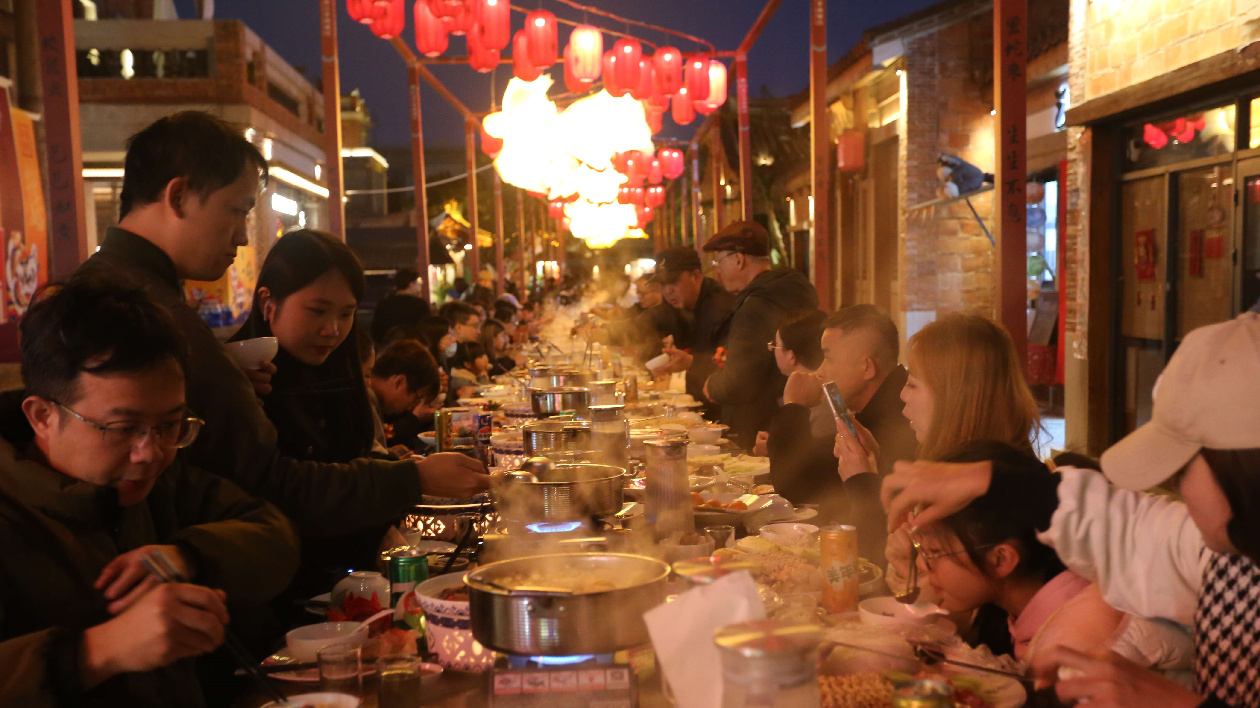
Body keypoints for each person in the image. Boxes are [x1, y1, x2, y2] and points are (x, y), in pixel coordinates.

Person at [72, 111, 488, 542]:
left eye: (345, 314)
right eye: (237, 212)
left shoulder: (132, 291)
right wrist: (411, 480)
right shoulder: (132, 308)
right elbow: (269, 482)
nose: (243, 237)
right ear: (178, 197)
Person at [881, 314, 1260, 708]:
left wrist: (1177, 704)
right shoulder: (1227, 548)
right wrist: (993, 480)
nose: (1175, 487)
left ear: (1239, 468)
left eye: (1181, 471)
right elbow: (1127, 531)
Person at [0, 278, 299, 707]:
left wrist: (189, 555)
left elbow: (274, 533)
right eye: (123, 429)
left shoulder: (158, 484)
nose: (151, 452)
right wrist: (95, 652)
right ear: (43, 416)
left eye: (170, 425)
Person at [911, 441, 1190, 681]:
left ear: (1000, 560)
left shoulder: (1078, 642)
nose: (923, 564)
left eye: (933, 551)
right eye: (920, 547)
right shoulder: (1022, 614)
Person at [230, 230, 377, 464]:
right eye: (318, 310)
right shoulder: (234, 380)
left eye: (346, 314)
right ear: (267, 303)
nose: (333, 330)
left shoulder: (340, 375)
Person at [699, 221, 818, 446]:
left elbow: (741, 379)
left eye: (719, 261)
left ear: (738, 259)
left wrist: (714, 386)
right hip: (798, 414)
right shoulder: (792, 289)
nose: (718, 270)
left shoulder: (755, 306)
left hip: (760, 426)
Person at [654, 246, 735, 408]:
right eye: (662, 285)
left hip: (724, 409)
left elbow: (732, 368)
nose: (667, 291)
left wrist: (691, 362)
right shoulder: (678, 306)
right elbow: (645, 323)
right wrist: (605, 331)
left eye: (673, 282)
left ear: (695, 276)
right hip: (698, 403)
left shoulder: (721, 309)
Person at [368, 339, 442, 452]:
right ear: (399, 382)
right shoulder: (366, 399)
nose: (410, 408)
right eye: (416, 399)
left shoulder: (375, 401)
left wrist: (390, 454)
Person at [370, 267, 430, 347]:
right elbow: (427, 329)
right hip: (415, 347)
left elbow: (376, 330)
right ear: (411, 284)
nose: (420, 285)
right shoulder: (421, 304)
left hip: (389, 348)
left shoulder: (384, 304)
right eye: (418, 282)